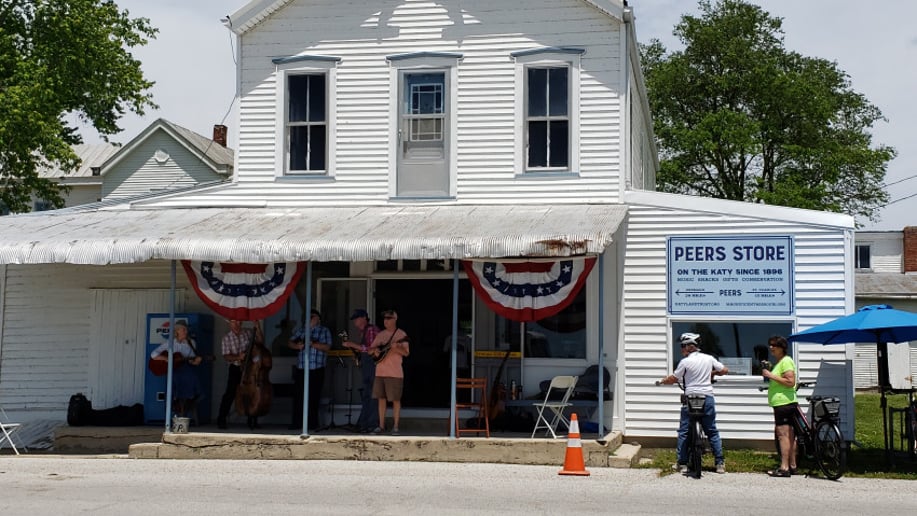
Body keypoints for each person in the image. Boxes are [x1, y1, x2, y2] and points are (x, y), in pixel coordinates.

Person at [659, 332, 729, 474]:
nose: (681, 349)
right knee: (712, 430)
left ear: (689, 347)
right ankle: (719, 463)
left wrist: (662, 381)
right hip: (707, 397)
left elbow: (674, 378)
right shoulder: (709, 359)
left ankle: (682, 463)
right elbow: (724, 370)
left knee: (684, 431)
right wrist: (712, 374)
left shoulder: (685, 362)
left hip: (691, 397)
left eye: (682, 346)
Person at [150, 319, 203, 419]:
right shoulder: (170, 342)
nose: (186, 332)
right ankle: (175, 406)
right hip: (174, 369)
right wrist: (166, 359)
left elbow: (192, 360)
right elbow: (153, 354)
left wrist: (196, 361)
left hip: (185, 368)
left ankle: (187, 403)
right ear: (177, 331)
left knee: (192, 378)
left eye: (186, 330)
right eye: (183, 329)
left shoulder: (191, 342)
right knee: (175, 380)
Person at [288, 309, 331, 431]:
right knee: (299, 397)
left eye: (313, 317)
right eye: (310, 317)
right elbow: (290, 342)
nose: (311, 319)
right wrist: (297, 346)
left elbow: (327, 347)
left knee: (314, 397)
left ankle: (312, 424)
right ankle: (297, 423)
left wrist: (312, 344)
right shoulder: (301, 330)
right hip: (302, 368)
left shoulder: (324, 331)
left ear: (318, 318)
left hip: (317, 369)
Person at [369, 309, 409, 435]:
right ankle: (381, 426)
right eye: (385, 318)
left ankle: (395, 426)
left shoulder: (402, 335)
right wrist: (375, 351)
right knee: (381, 399)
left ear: (395, 319)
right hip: (380, 372)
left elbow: (406, 353)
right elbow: (370, 350)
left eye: (388, 318)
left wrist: (396, 348)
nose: (386, 320)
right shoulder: (380, 335)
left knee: (395, 400)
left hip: (395, 372)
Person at [762, 335, 797, 477]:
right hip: (783, 403)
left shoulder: (786, 361)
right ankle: (793, 465)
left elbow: (790, 381)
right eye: (770, 344)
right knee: (790, 435)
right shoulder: (780, 362)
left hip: (783, 403)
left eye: (774, 345)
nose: (771, 347)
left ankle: (784, 468)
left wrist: (770, 375)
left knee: (783, 435)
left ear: (782, 348)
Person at [216, 319, 261, 430]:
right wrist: (238, 357)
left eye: (238, 322)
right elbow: (226, 356)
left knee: (252, 392)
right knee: (230, 393)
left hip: (250, 368)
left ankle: (252, 419)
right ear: (229, 324)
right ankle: (221, 419)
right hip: (236, 367)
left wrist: (258, 326)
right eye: (234, 322)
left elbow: (260, 341)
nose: (237, 324)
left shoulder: (248, 333)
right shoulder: (226, 338)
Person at [342, 308, 381, 433]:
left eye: (357, 318)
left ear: (364, 317)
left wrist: (351, 345)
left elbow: (371, 349)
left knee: (372, 395)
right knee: (366, 396)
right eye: (354, 320)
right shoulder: (363, 332)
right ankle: (364, 424)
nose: (355, 322)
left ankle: (372, 424)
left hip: (373, 367)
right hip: (367, 367)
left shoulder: (370, 330)